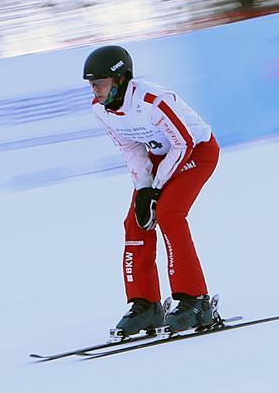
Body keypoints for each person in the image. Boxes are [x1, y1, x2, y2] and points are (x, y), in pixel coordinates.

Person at [84, 45, 220, 336]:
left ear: (120, 79)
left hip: (196, 153)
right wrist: (143, 189)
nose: (95, 90)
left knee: (169, 214)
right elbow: (130, 149)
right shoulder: (101, 111)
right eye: (91, 84)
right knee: (136, 221)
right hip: (160, 159)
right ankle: (145, 305)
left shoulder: (151, 101)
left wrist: (157, 190)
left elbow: (183, 144)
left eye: (100, 83)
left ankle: (195, 300)